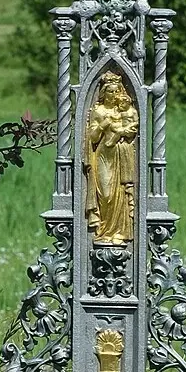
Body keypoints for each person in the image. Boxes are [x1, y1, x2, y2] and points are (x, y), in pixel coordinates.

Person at [82, 72, 139, 244]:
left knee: (120, 193)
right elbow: (91, 137)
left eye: (116, 92)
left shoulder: (123, 108)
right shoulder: (98, 111)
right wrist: (103, 124)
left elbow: (132, 127)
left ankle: (118, 232)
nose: (113, 95)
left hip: (121, 154)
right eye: (110, 92)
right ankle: (103, 230)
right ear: (104, 92)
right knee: (106, 194)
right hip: (103, 155)